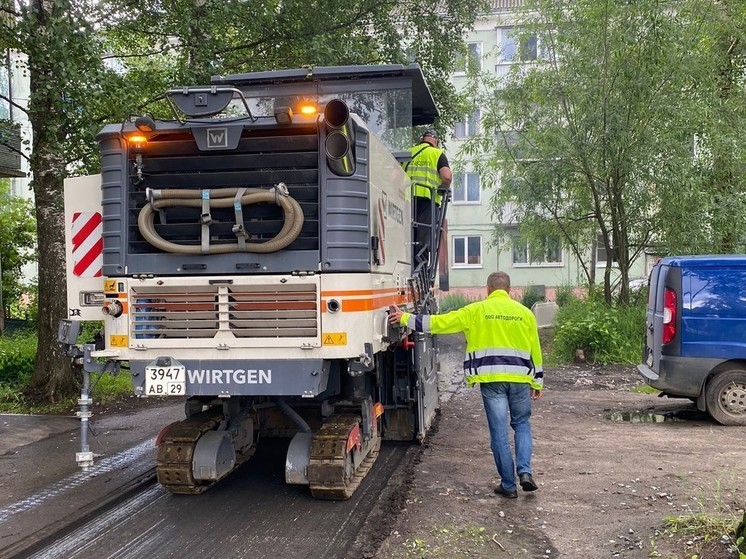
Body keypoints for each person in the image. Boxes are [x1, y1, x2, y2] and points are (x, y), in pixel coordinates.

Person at [388, 271, 543, 499]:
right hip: (520, 379)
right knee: (521, 424)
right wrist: (537, 381)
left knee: (499, 432)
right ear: (509, 290)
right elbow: (535, 350)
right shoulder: (525, 314)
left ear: (488, 289)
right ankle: (525, 473)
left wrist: (404, 318)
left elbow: (440, 323)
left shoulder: (476, 311)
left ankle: (508, 486)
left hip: (491, 380)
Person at [403, 130, 452, 267]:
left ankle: (407, 266)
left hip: (407, 201)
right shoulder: (437, 154)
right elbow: (447, 176)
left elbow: (395, 176)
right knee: (424, 238)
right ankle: (421, 270)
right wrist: (444, 186)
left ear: (422, 139)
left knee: (408, 236)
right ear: (435, 141)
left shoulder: (409, 152)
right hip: (428, 202)